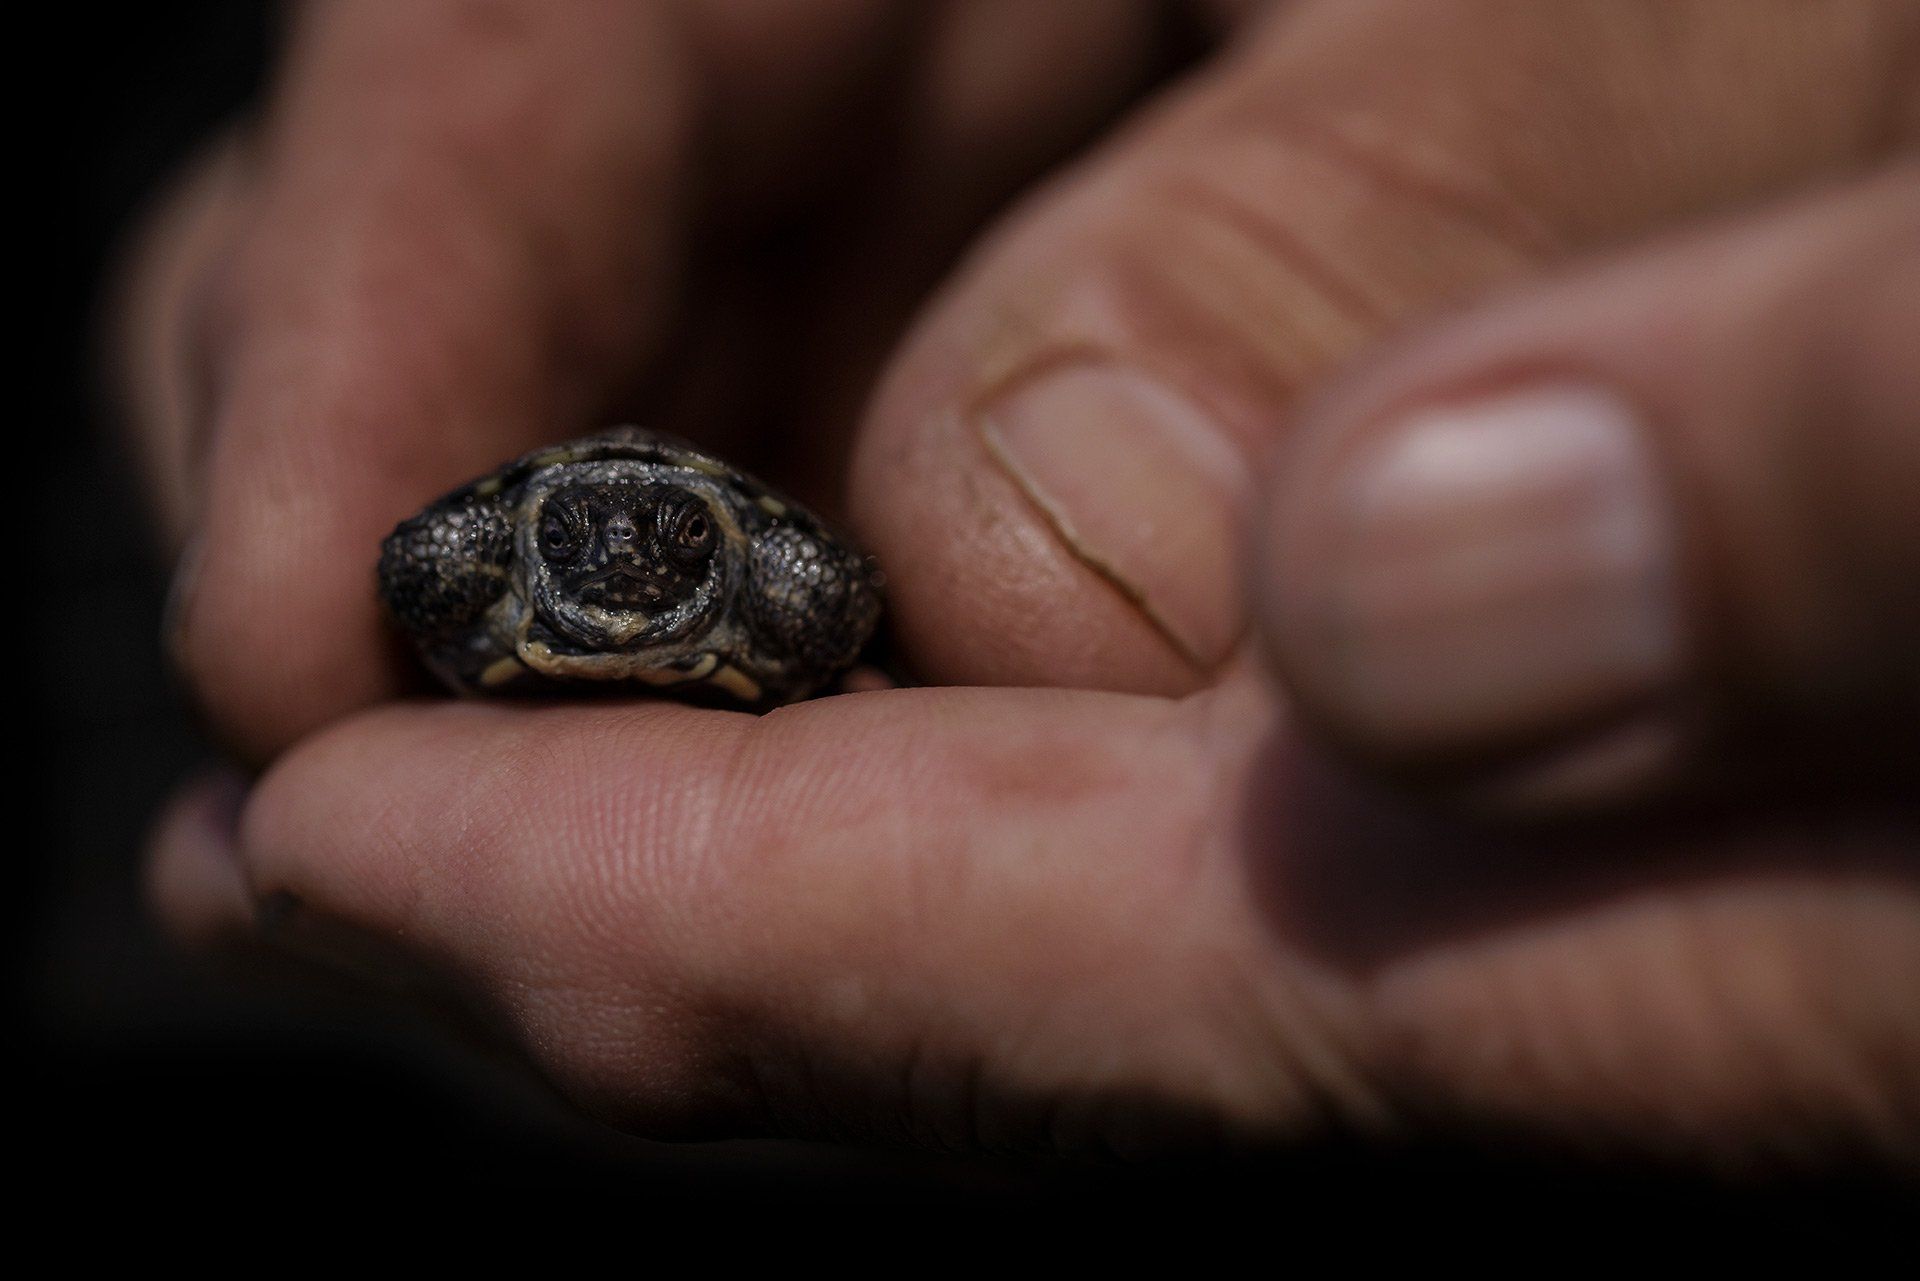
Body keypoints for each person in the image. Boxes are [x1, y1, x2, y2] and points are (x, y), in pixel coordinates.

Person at [128, 0, 1916, 1164]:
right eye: (589, 539)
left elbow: (838, 580)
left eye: (662, 539)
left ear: (707, 550)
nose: (620, 556)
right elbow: (400, 555)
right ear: (543, 544)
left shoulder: (761, 568)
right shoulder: (493, 548)